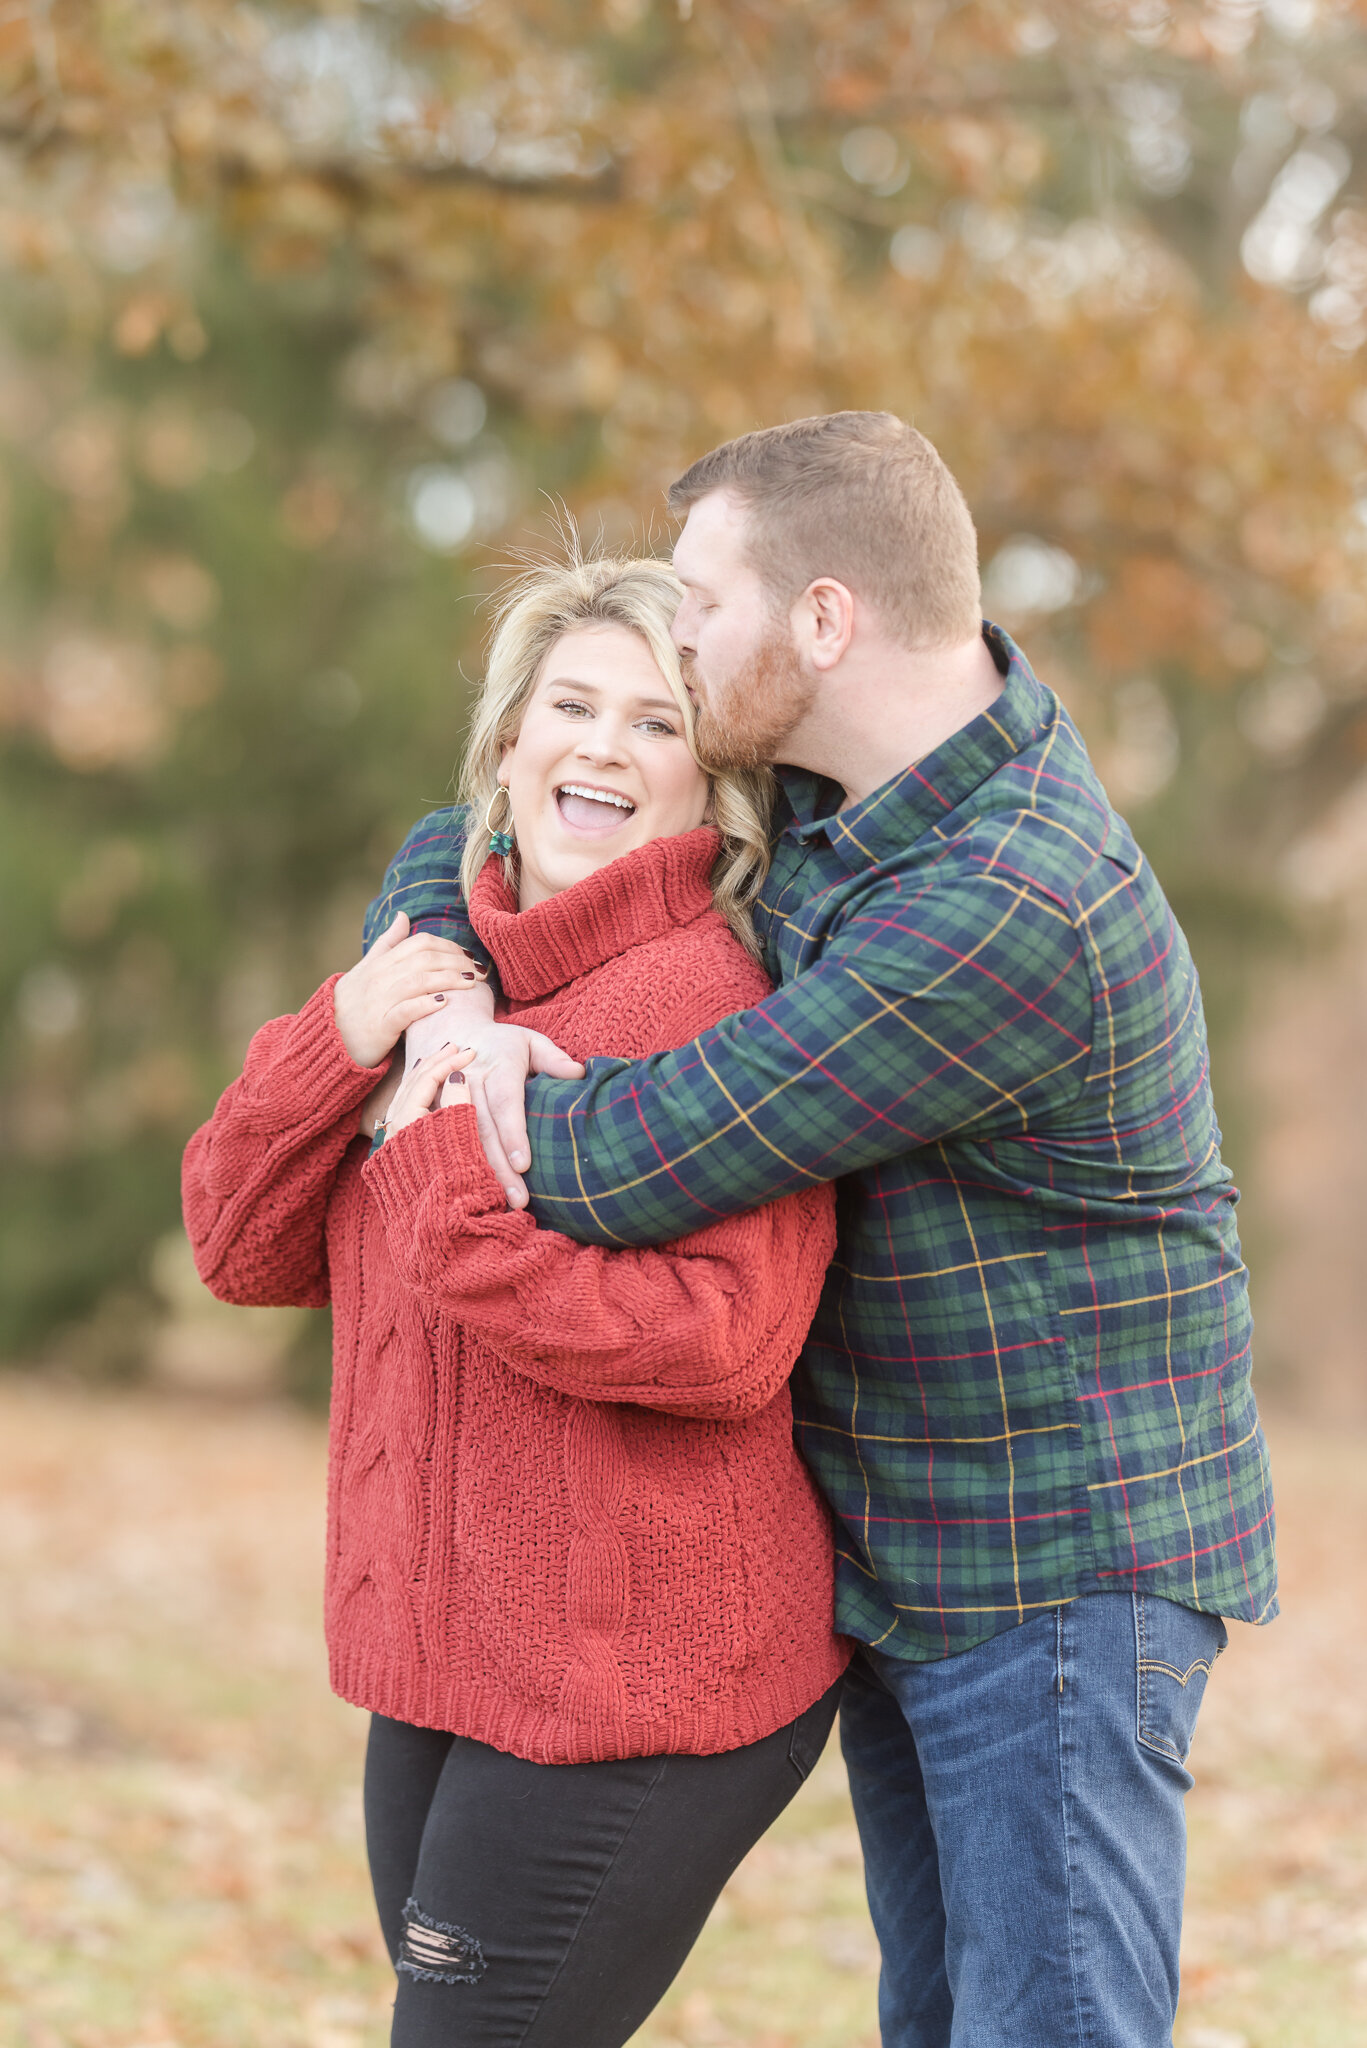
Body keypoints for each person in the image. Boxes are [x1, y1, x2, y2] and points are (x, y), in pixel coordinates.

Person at [367, 413, 1279, 2048]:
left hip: (1056, 1566)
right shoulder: (837, 807)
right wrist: (443, 956)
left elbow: (671, 1144)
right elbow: (467, 838)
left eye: (705, 609)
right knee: (938, 2023)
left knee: (1048, 2027)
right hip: (904, 1543)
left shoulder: (1012, 900)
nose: (685, 640)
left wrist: (455, 1082)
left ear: (826, 621)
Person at [182, 554, 850, 2048]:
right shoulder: (429, 980)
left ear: (710, 782)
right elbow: (236, 1246)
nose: (604, 747)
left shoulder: (708, 1009)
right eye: (571, 705)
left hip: (642, 1681)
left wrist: (445, 1183)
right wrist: (346, 1031)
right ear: (507, 745)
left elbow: (727, 1340)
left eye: (657, 721)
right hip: (447, 1663)